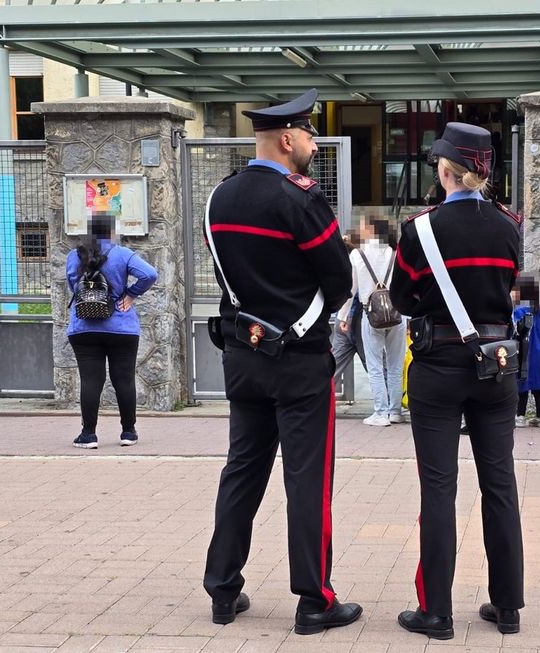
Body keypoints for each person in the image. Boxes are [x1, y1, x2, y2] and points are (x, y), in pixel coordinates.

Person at [202, 88, 362, 635]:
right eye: (311, 135)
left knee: (241, 472)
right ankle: (314, 601)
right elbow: (339, 281)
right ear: (288, 139)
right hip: (299, 359)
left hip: (243, 357)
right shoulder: (302, 200)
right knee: (307, 481)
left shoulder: (220, 198)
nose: (315, 145)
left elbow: (228, 275)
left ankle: (223, 590)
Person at [390, 123, 524, 639]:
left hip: (438, 365)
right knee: (500, 485)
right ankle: (507, 607)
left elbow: (402, 299)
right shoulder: (510, 226)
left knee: (438, 489)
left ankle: (437, 613)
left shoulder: (419, 230)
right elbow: (515, 287)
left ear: (445, 171)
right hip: (496, 366)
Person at [65, 211, 157, 449]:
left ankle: (88, 435)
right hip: (122, 327)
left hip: (84, 327)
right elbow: (150, 274)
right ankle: (128, 432)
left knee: (90, 380)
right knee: (123, 379)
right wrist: (131, 294)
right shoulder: (122, 254)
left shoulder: (74, 256)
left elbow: (73, 287)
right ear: (112, 231)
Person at [338, 217, 406, 426]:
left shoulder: (357, 254)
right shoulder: (395, 252)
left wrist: (343, 317)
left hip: (371, 315)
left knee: (375, 365)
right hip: (397, 314)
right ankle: (395, 411)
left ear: (371, 231)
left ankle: (380, 412)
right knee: (395, 366)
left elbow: (350, 290)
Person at [512, 276, 540, 429]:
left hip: (524, 354)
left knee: (522, 384)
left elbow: (515, 332)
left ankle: (520, 416)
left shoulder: (519, 311)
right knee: (538, 387)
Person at [331, 231, 367, 389]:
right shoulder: (363, 261)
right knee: (377, 369)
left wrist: (343, 317)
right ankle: (389, 401)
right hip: (361, 320)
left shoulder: (342, 263)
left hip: (342, 320)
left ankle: (321, 398)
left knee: (332, 369)